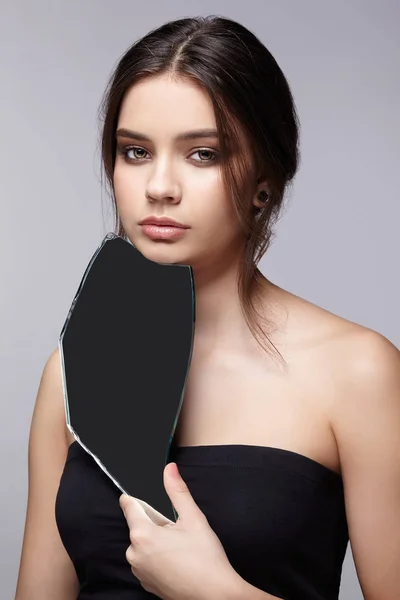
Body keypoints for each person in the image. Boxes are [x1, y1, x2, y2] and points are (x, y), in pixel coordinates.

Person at [15, 14, 400, 600]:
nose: (159, 186)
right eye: (135, 151)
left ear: (264, 181)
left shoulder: (357, 372)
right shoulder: (71, 371)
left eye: (203, 155)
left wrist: (212, 590)